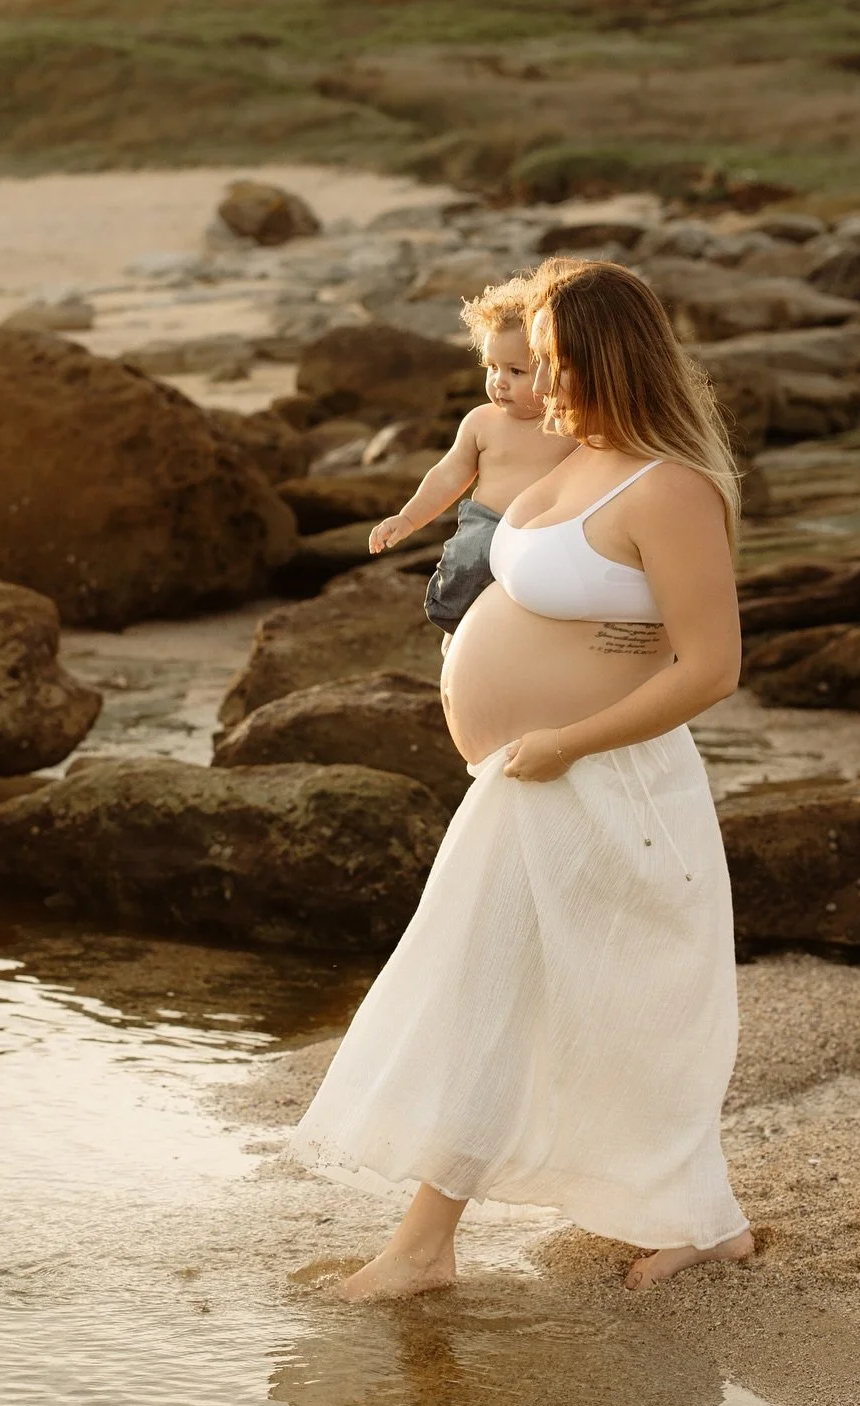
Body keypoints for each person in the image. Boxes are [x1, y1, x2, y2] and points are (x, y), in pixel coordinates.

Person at [290, 256, 755, 1296]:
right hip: (532, 780)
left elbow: (711, 667)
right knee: (514, 993)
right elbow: (524, 557)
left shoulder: (669, 488)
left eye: (552, 364)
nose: (536, 385)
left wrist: (567, 739)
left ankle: (436, 1246)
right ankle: (685, 1222)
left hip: (605, 785)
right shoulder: (574, 456)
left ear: (606, 362)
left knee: (560, 999)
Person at [367, 279, 576, 643]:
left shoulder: (567, 425)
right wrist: (410, 518)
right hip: (487, 525)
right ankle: (456, 629)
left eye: (516, 371)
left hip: (543, 531)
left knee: (536, 595)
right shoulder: (482, 421)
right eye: (492, 367)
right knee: (465, 572)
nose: (499, 382)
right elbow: (449, 474)